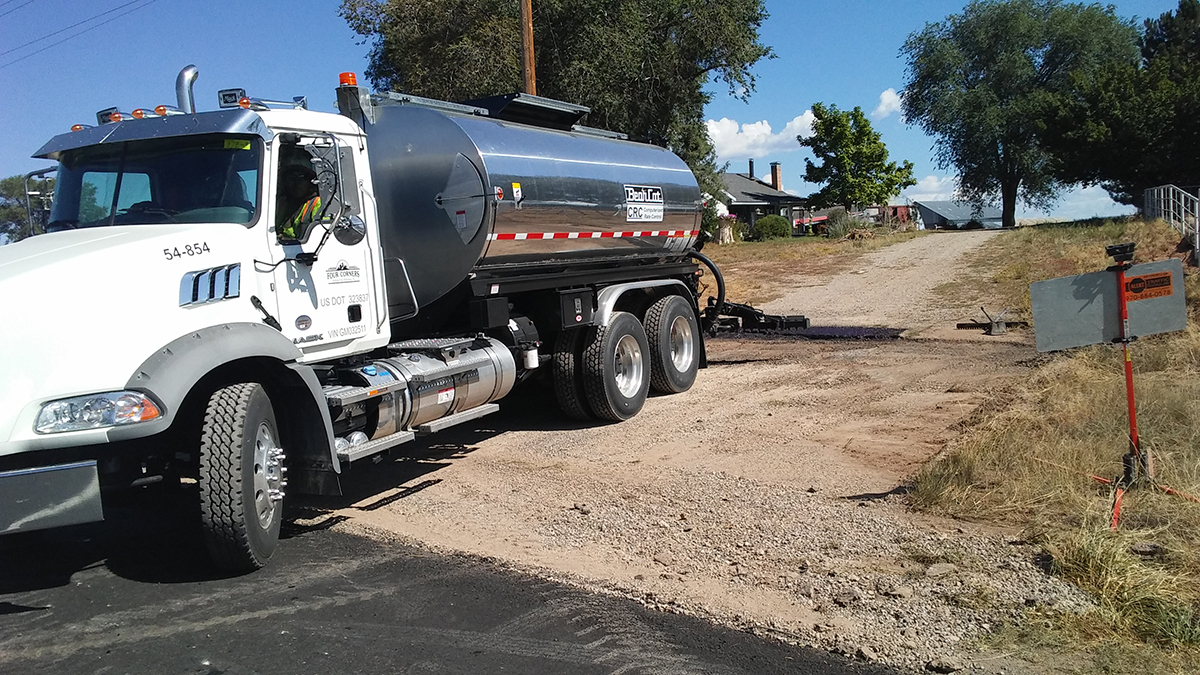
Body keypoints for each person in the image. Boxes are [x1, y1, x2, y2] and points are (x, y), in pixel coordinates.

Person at [276, 164, 322, 240]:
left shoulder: (317, 203)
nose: (295, 183)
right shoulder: (282, 203)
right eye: (291, 178)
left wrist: (288, 240)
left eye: (301, 178)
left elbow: (319, 237)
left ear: (311, 181)